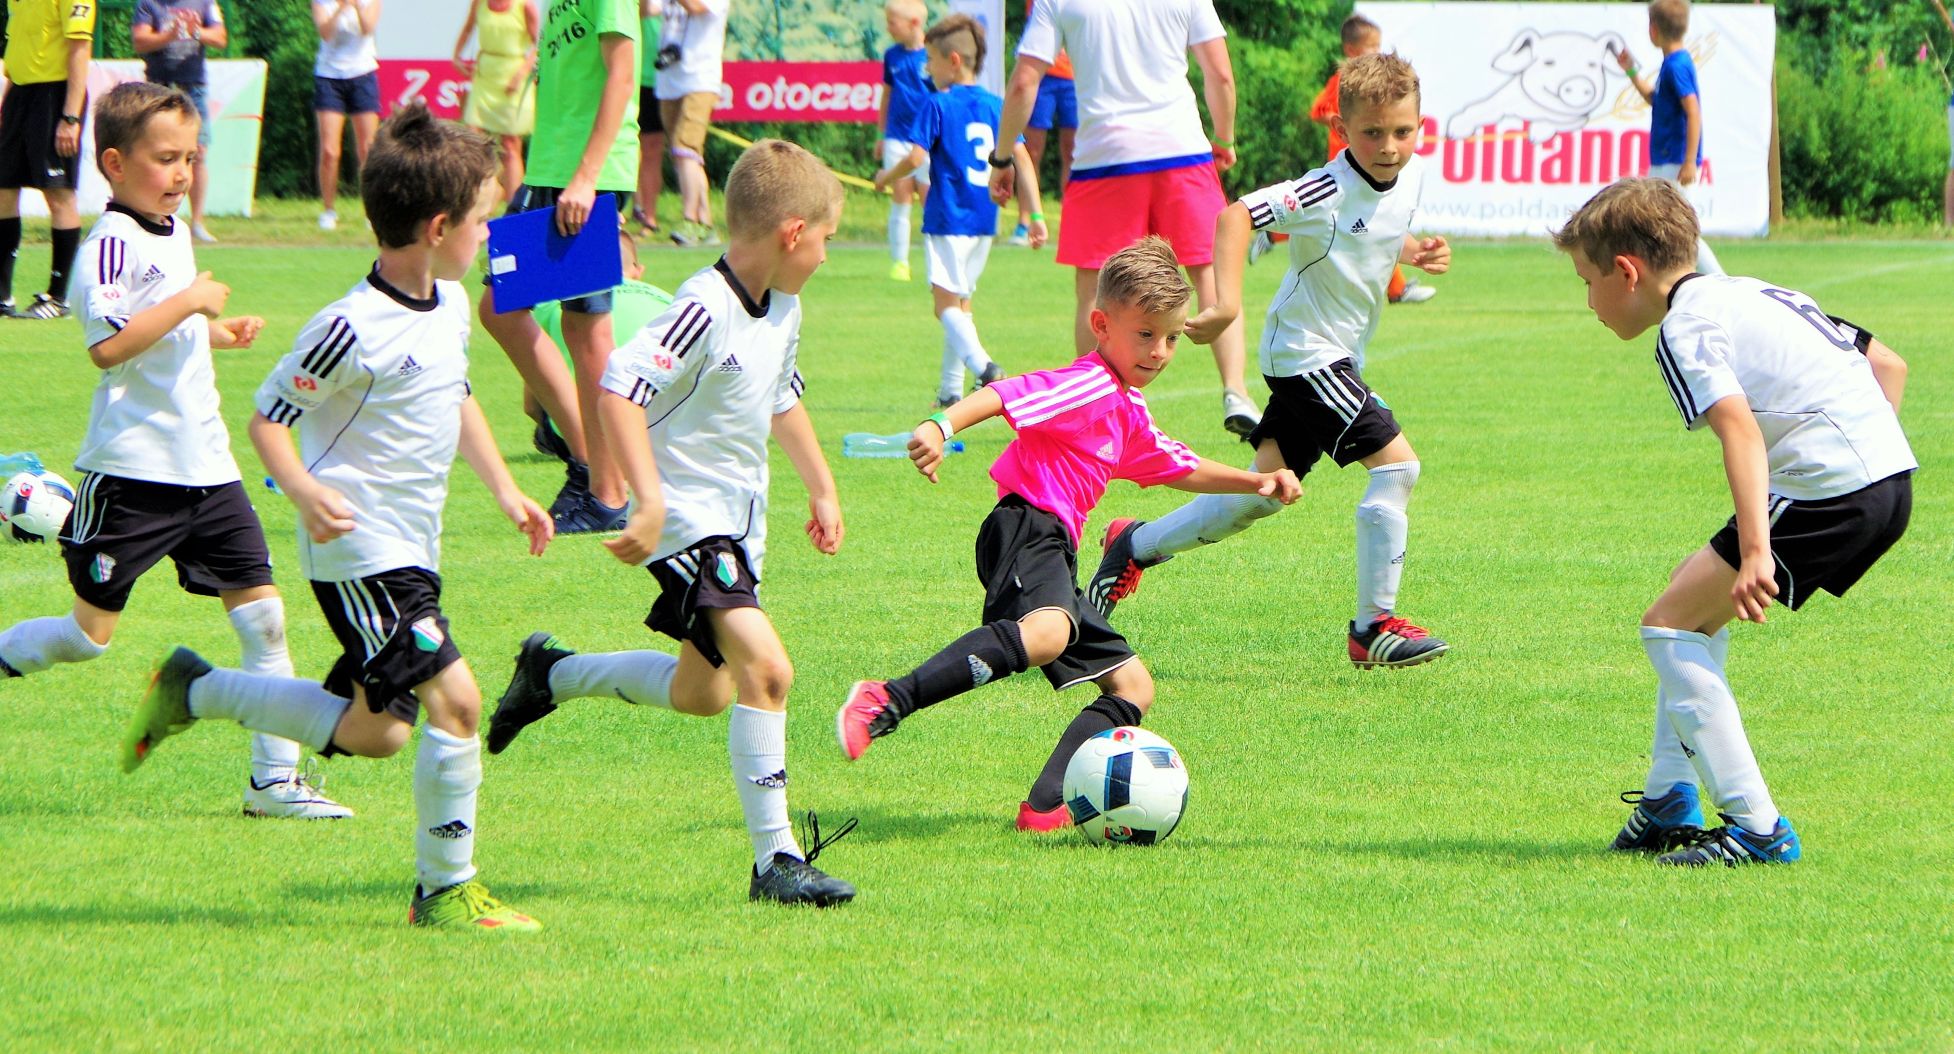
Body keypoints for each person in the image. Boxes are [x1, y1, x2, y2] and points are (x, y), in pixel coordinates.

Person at [121, 105, 556, 928]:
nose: (489, 232)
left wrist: (505, 488)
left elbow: (454, 396)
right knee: (459, 703)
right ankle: (445, 891)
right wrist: (304, 488)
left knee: (379, 731)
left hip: (412, 549)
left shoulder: (448, 303)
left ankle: (196, 690)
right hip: (362, 553)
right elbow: (268, 419)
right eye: (483, 218)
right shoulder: (349, 327)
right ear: (438, 228)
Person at [484, 140, 858, 906]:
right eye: (825, 239)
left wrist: (822, 487)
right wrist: (648, 501)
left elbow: (781, 397)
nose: (826, 255)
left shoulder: (783, 306)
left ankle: (551, 674)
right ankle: (776, 861)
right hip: (688, 523)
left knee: (703, 693)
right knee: (769, 672)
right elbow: (619, 389)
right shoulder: (702, 306)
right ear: (792, 233)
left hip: (738, 526)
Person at [835, 236, 1301, 831]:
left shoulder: (1127, 406)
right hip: (1026, 526)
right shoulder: (1088, 385)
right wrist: (939, 424)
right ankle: (887, 699)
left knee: (1132, 686)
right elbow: (1005, 394)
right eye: (1145, 334)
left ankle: (1045, 806)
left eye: (1171, 338)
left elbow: (1176, 464)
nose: (1159, 351)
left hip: (1056, 545)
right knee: (1048, 633)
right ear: (1101, 325)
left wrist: (1254, 481)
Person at [0, 82, 349, 820]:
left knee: (265, 621)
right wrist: (189, 303)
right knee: (88, 638)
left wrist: (216, 331)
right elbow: (107, 346)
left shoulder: (175, 231)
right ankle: (14, 608)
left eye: (189, 157)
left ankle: (273, 784)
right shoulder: (108, 244)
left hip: (209, 468)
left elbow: (166, 329)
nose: (183, 172)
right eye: (166, 159)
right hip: (134, 472)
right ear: (115, 163)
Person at [1553, 178, 1914, 865]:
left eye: (1587, 281)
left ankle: (1757, 828)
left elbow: (1740, 431)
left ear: (1626, 272)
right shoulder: (1751, 290)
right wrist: (1869, 455)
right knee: (1684, 603)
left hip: (1832, 492)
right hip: (1888, 480)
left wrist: (1756, 551)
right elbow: (1887, 364)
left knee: (1667, 626)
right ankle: (1667, 799)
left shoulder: (1684, 328)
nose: (1589, 300)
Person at [1088, 54, 1453, 671]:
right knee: (1397, 468)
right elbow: (1236, 217)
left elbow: (1375, 231)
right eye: (1372, 133)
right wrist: (1227, 304)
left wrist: (1415, 252)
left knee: (1261, 492)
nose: (1389, 147)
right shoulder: (1324, 188)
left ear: (1420, 126)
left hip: (1332, 353)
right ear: (1341, 128)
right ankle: (1374, 627)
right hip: (1306, 353)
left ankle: (1134, 543)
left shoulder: (1409, 175)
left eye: (1402, 131)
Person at [992, 0, 1259, 439]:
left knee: (1095, 289)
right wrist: (1225, 137)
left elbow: (1024, 82)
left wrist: (1003, 157)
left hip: (1104, 158)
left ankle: (1095, 407)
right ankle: (1236, 392)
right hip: (1182, 149)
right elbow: (1220, 74)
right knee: (1210, 274)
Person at [478, 0, 639, 535]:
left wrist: (587, 177)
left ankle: (607, 494)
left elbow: (622, 74)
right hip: (550, 169)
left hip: (585, 177)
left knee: (588, 331)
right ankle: (588, 460)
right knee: (499, 308)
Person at [874, 14, 1044, 408]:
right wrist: (1035, 216)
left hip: (947, 217)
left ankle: (985, 367)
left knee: (944, 306)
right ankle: (950, 391)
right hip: (983, 220)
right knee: (961, 304)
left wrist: (886, 176)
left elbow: (915, 156)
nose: (927, 70)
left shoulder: (937, 103)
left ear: (952, 61)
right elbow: (1022, 158)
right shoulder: (996, 106)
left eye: (931, 61)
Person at [1283, 14, 1432, 305]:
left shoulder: (1414, 169)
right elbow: (1317, 110)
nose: (1376, 50)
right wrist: (1349, 126)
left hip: (1369, 166)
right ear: (1351, 50)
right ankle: (1397, 289)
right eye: (1371, 46)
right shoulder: (1343, 81)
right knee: (1355, 224)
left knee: (1370, 225)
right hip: (1350, 166)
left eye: (1379, 45)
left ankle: (1397, 289)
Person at [0, 0, 93, 319]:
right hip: (20, 94)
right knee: (3, 189)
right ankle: (2, 296)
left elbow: (79, 47)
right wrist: (6, 102)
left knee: (58, 192)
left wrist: (70, 117)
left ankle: (58, 296)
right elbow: (18, 51)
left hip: (55, 95)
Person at [1616, 0, 1722, 275]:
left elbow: (1693, 112)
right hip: (1667, 160)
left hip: (1674, 161)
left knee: (1680, 230)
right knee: (1665, 225)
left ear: (1653, 29)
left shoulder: (1676, 66)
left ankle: (1719, 280)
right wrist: (1631, 71)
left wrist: (1689, 161)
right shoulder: (1672, 64)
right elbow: (1657, 100)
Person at [133, 0, 228, 242]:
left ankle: (197, 222)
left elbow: (220, 38)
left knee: (199, 152)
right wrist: (170, 35)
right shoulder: (148, 3)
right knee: (155, 152)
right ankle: (153, 217)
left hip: (193, 86)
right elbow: (140, 40)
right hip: (158, 87)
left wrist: (195, 31)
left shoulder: (205, 2)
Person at [655, 0, 729, 246]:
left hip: (700, 78)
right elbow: (648, 10)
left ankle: (690, 220)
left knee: (684, 146)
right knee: (685, 156)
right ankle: (705, 224)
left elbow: (696, 7)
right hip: (669, 79)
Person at [452, 0, 539, 198]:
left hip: (513, 76)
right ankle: (474, 197)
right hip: (485, 74)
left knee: (510, 144)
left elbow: (539, 45)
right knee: (472, 138)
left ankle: (514, 204)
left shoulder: (525, 6)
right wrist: (456, 56)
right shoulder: (479, 3)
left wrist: (521, 74)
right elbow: (468, 28)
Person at [312, 0, 383, 232]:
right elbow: (326, 34)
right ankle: (329, 210)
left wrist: (356, 6)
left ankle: (371, 212)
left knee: (367, 149)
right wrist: (341, 8)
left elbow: (367, 28)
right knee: (329, 151)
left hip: (362, 74)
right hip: (328, 76)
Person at [1009, 0, 1074, 248]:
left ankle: (1071, 224)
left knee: (1073, 152)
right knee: (1031, 150)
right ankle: (1025, 221)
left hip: (1075, 74)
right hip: (1042, 73)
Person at [876, 0, 933, 282]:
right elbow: (887, 95)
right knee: (900, 196)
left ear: (914, 23)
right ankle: (900, 263)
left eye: (892, 22)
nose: (888, 28)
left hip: (928, 139)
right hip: (897, 137)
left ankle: (935, 264)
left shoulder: (933, 54)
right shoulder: (892, 56)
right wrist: (880, 134)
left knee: (930, 201)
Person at [634, 0, 665, 238]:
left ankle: (698, 219)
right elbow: (643, 10)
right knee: (645, 150)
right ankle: (644, 213)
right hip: (640, 75)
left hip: (673, 78)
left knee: (684, 151)